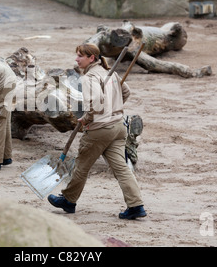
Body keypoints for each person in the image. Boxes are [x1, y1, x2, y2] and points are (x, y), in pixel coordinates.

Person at [47, 43, 147, 220]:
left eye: (80, 56)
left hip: (100, 130)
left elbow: (96, 103)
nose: (76, 59)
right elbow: (126, 92)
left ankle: (68, 200)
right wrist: (113, 108)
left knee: (81, 166)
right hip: (118, 127)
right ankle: (136, 205)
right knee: (121, 168)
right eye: (77, 55)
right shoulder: (111, 73)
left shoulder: (90, 77)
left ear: (91, 58)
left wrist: (86, 118)